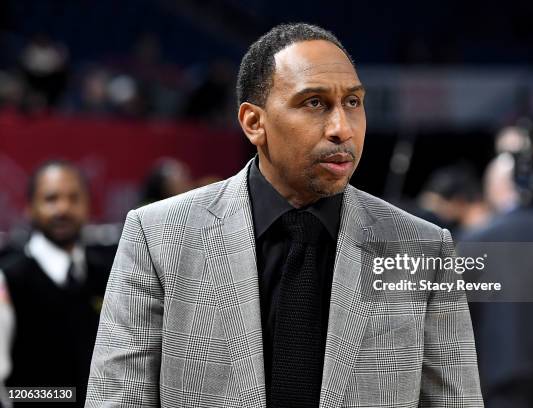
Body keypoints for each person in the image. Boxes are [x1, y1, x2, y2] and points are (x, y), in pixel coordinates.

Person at [86, 23, 482, 407]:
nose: (342, 128)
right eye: (314, 103)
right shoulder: (157, 237)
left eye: (353, 102)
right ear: (253, 123)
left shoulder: (423, 246)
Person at [0, 160, 114, 407]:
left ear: (87, 206)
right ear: (29, 208)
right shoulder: (8, 279)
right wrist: (62, 396)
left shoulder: (108, 274)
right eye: (51, 199)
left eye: (74, 198)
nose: (63, 208)